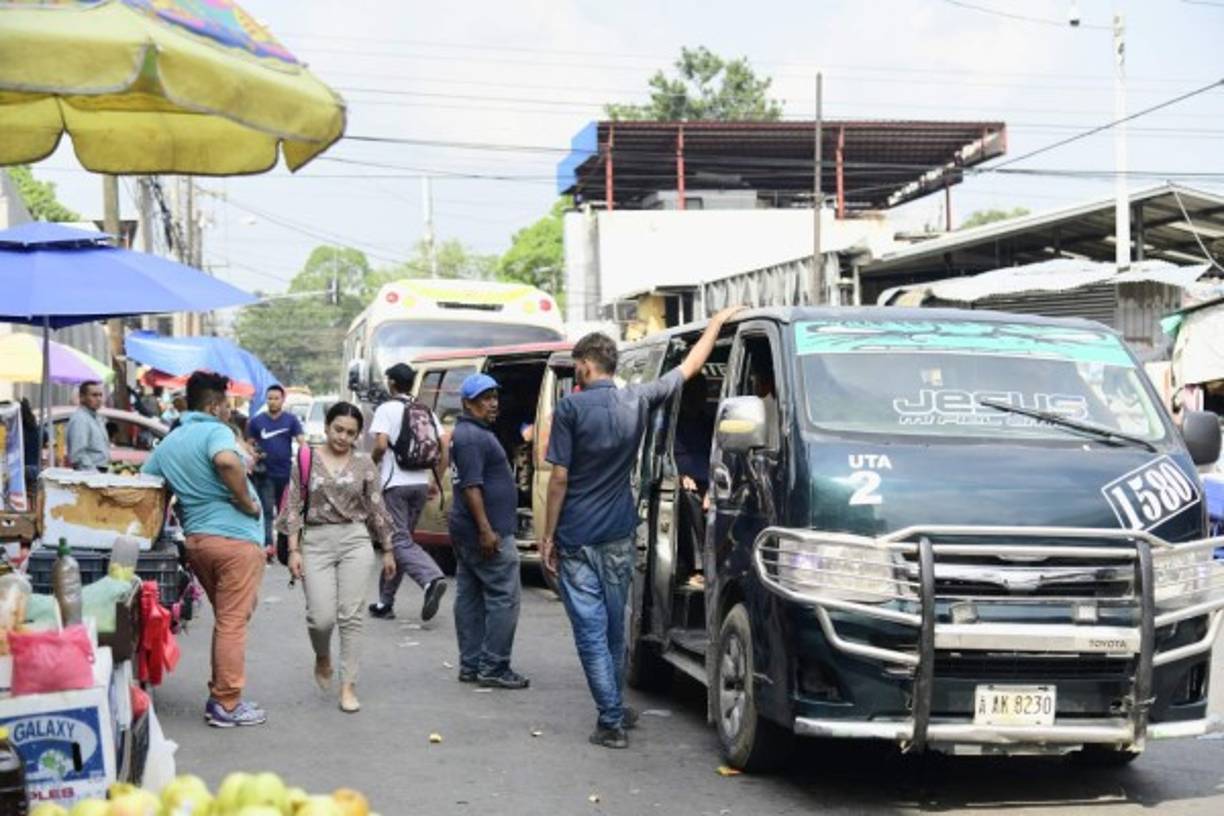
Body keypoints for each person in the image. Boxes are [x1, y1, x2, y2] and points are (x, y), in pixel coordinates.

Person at [541, 306, 743, 749]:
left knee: (590, 632)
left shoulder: (571, 408)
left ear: (585, 365)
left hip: (576, 536)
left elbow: (558, 478)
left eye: (577, 365)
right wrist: (717, 323)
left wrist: (548, 535)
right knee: (615, 627)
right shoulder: (637, 398)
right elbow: (689, 367)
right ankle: (615, 704)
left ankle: (610, 719)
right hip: (617, 532)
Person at [141, 371, 267, 728]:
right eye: (226, 405)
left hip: (198, 543)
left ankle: (223, 693)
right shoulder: (215, 430)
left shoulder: (170, 442)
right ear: (213, 406)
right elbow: (227, 462)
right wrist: (246, 502)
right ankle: (225, 703)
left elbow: (146, 486)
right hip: (233, 540)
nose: (229, 412)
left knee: (233, 614)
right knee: (232, 620)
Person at [278, 402, 397, 714]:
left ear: (358, 435)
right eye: (338, 429)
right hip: (315, 541)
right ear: (327, 426)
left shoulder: (364, 464)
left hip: (355, 540)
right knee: (320, 618)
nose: (343, 437)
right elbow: (292, 506)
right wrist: (293, 550)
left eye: (351, 433)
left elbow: (376, 508)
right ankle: (322, 655)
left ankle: (348, 686)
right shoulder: (305, 459)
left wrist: (388, 549)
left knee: (351, 616)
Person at [448, 373, 529, 690]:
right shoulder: (471, 437)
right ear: (468, 403)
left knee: (470, 596)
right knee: (503, 597)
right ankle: (494, 665)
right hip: (484, 532)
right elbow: (471, 487)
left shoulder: (473, 433)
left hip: (471, 530)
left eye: (495, 396)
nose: (493, 403)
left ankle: (471, 664)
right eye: (485, 398)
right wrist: (486, 529)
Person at [367, 363, 448, 622]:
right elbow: (445, 444)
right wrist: (437, 478)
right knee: (402, 542)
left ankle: (431, 578)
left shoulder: (386, 409)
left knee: (398, 541)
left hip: (395, 484)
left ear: (391, 383)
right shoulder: (424, 410)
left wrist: (371, 464)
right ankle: (384, 602)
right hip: (420, 484)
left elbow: (380, 444)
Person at [247, 385, 305, 561]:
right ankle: (267, 547)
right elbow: (248, 445)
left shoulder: (291, 420)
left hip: (286, 474)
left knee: (285, 513)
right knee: (266, 512)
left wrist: (305, 464)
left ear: (283, 399)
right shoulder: (257, 422)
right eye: (270, 398)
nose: (272, 401)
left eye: (276, 398)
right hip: (264, 475)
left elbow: (302, 443)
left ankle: (284, 548)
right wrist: (255, 453)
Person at [66, 380, 111, 472]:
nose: (98, 399)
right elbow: (78, 455)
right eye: (94, 395)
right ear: (82, 397)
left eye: (100, 395)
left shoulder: (96, 418)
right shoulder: (80, 419)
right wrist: (93, 474)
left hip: (99, 472)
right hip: (89, 475)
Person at [19, 398, 40, 490]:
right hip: (36, 469)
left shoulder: (18, 431)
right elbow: (47, 441)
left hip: (23, 470)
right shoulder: (36, 428)